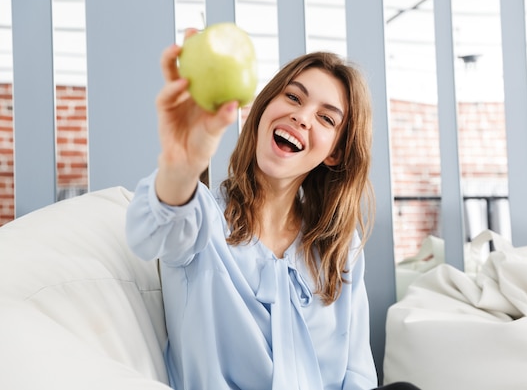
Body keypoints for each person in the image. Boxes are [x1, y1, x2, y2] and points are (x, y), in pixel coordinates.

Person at [125, 29, 420, 390]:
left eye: (327, 119)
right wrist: (182, 164)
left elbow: (357, 372)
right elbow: (147, 234)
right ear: (264, 108)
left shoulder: (338, 248)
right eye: (293, 97)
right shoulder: (201, 217)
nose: (302, 117)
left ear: (335, 153)